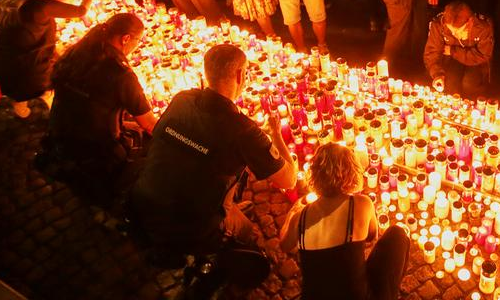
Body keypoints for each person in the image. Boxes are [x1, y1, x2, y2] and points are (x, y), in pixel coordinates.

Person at [130, 45, 296, 277]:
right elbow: (288, 180)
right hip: (192, 223)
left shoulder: (181, 100)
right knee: (247, 231)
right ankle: (221, 263)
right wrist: (277, 137)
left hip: (145, 199)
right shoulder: (242, 130)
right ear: (241, 76)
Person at [44, 13, 155, 204]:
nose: (137, 47)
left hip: (60, 134)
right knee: (153, 140)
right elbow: (150, 125)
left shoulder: (78, 52)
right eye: (138, 41)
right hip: (96, 150)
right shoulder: (120, 73)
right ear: (126, 38)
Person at [280, 143, 410, 300]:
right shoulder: (362, 204)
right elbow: (371, 236)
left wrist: (293, 212)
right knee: (397, 235)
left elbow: (285, 245)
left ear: (314, 174)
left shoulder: (300, 217)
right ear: (352, 171)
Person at [0, 0, 104, 118]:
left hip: (3, 64)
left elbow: (50, 4)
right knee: (55, 83)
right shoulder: (37, 6)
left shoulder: (7, 1)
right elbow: (81, 11)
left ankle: (20, 106)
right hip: (30, 68)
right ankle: (57, 112)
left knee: (18, 88)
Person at [423, 1, 494, 97]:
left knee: (470, 84)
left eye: (458, 32)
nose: (454, 35)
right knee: (450, 82)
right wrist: (437, 75)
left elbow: (483, 54)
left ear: (470, 22)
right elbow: (432, 52)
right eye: (452, 31)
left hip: (475, 61)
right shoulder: (439, 24)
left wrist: (453, 51)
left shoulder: (483, 28)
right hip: (451, 60)